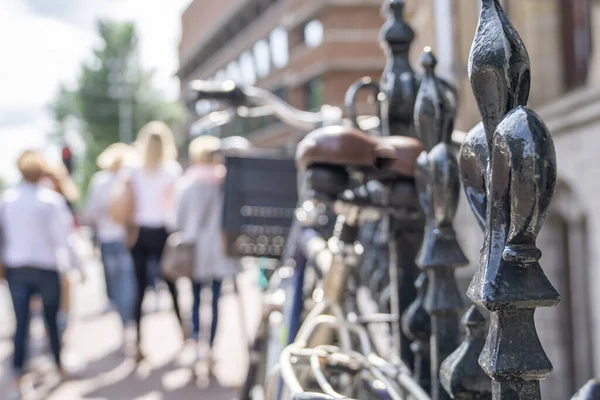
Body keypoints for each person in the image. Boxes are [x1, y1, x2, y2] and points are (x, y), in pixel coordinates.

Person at [1, 150, 75, 399]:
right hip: (45, 267)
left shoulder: (7, 199)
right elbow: (62, 238)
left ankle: (19, 373)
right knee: (51, 320)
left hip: (17, 268)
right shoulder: (50, 200)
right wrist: (73, 266)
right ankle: (58, 364)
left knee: (21, 322)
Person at [173, 135, 241, 365]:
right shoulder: (226, 183)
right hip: (220, 249)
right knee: (215, 301)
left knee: (193, 299)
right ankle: (210, 346)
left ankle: (195, 342)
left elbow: (178, 218)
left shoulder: (189, 183)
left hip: (195, 250)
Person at [123, 121, 184, 361]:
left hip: (139, 233)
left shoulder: (133, 170)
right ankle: (184, 332)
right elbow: (176, 206)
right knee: (172, 285)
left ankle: (137, 341)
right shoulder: (171, 170)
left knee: (139, 289)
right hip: (163, 232)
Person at [83, 143, 136, 345]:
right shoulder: (129, 177)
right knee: (128, 284)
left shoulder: (100, 180)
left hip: (107, 238)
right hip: (126, 238)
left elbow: (91, 212)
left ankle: (123, 324)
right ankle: (129, 322)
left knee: (114, 285)